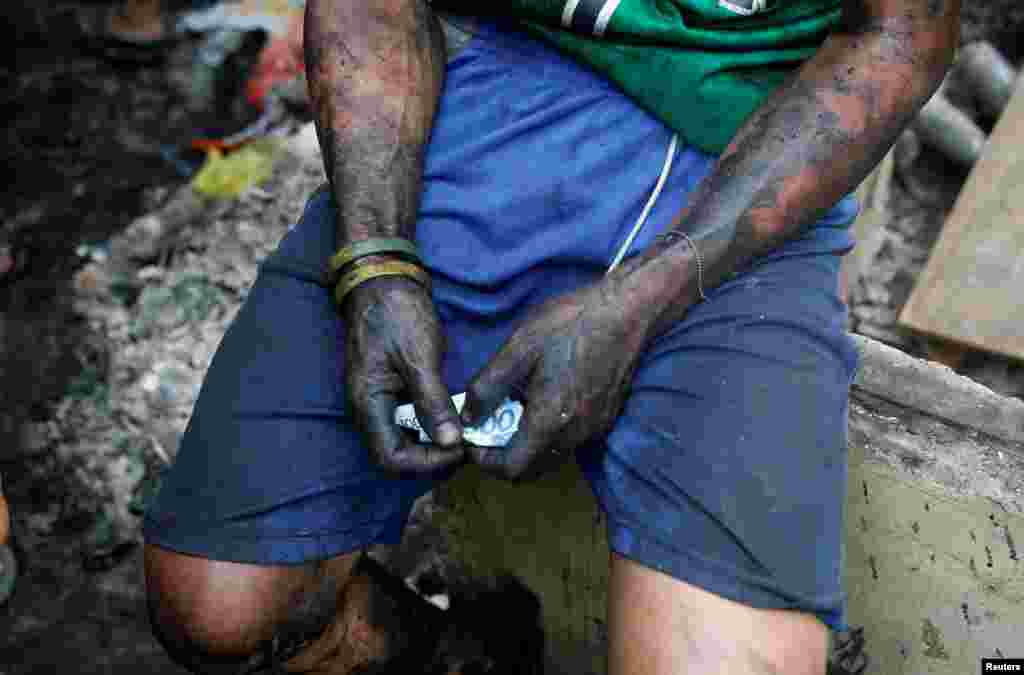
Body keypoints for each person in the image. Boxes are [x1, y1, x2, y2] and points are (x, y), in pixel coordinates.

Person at [142, 0, 958, 672]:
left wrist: (642, 300)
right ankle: (450, 656)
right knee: (213, 603)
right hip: (489, 75)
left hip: (760, 151)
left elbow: (898, 35)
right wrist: (375, 260)